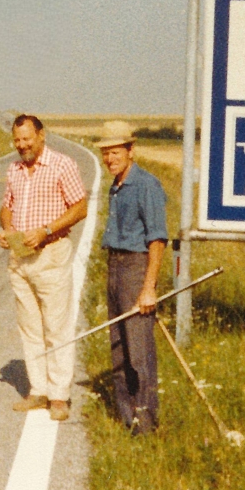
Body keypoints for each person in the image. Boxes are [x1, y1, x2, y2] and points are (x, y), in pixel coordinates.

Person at [0, 114, 87, 421]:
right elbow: (6, 207)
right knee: (30, 327)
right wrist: (7, 230)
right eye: (17, 140)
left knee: (56, 327)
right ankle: (38, 390)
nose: (22, 145)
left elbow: (80, 207)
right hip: (20, 257)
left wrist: (46, 230)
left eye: (27, 139)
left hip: (51, 254)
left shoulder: (62, 165)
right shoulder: (14, 169)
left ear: (41, 136)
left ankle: (59, 395)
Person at [95, 129, 168, 436]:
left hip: (136, 269)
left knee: (139, 351)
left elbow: (157, 240)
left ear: (130, 150)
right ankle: (128, 418)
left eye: (115, 151)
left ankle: (146, 422)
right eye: (105, 152)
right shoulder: (116, 186)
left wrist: (148, 287)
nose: (110, 158)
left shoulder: (146, 184)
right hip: (115, 267)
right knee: (118, 348)